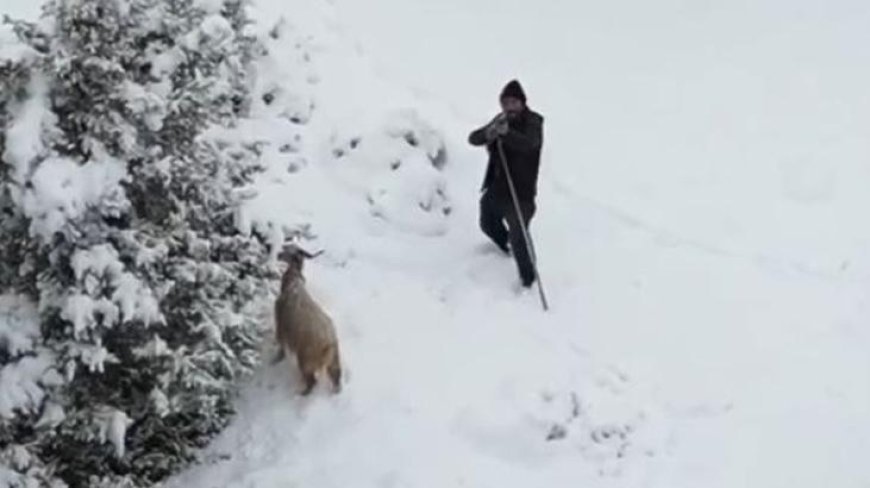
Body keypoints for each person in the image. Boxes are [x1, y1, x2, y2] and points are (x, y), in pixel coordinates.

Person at [468, 79, 544, 288]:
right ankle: (506, 245)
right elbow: (473, 138)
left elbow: (529, 144)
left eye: (513, 102)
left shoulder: (534, 122)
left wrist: (506, 134)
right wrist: (488, 133)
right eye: (505, 103)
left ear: (522, 102)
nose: (509, 107)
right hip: (499, 187)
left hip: (521, 193)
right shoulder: (500, 121)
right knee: (486, 222)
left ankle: (528, 279)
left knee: (519, 232)